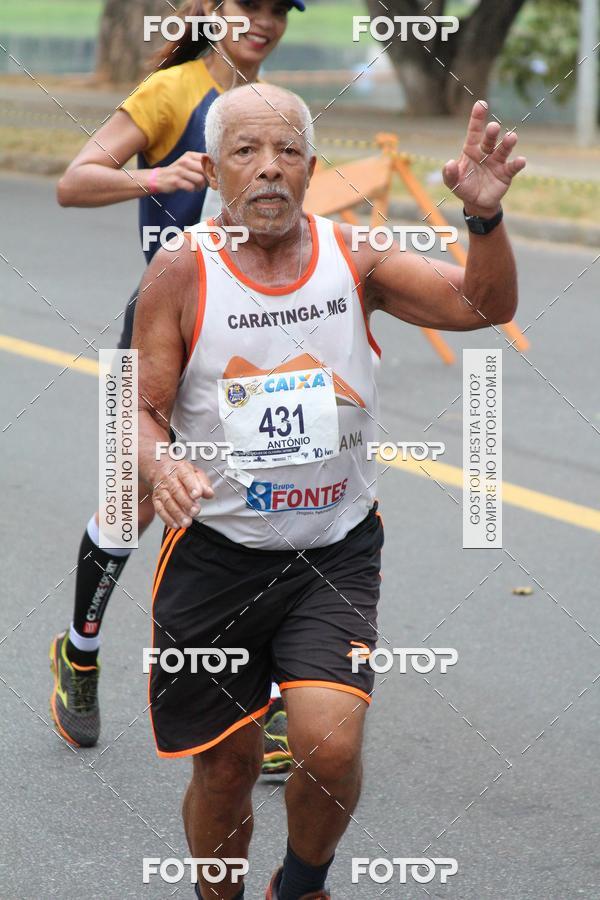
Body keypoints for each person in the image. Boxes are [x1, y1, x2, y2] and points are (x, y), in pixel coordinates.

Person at [133, 83, 525, 900]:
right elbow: (138, 409)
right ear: (217, 169)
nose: (269, 170)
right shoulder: (180, 272)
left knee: (331, 743)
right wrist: (160, 464)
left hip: (333, 550)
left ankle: (302, 884)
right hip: (214, 556)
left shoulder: (356, 258)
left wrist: (483, 220)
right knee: (227, 766)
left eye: (287, 153)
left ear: (312, 168)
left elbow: (484, 304)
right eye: (246, 152)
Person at [49, 0, 302, 770]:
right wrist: (159, 175)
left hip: (257, 326)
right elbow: (74, 180)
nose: (263, 23)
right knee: (136, 500)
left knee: (279, 487)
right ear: (213, 11)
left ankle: (277, 698)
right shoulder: (174, 92)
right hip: (166, 323)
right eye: (247, 7)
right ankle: (80, 656)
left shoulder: (268, 107)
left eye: (277, 10)